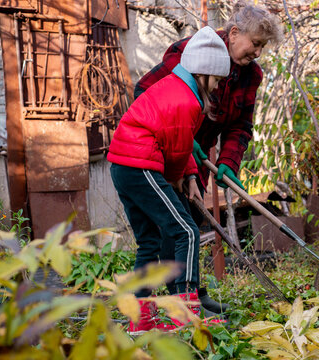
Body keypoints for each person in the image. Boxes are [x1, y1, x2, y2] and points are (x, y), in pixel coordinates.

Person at [134, 1, 283, 313]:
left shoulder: (250, 75)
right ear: (233, 33)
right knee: (172, 227)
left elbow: (241, 125)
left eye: (262, 47)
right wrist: (183, 140)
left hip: (196, 160)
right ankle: (178, 301)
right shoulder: (190, 51)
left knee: (190, 222)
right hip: (163, 151)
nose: (257, 52)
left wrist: (229, 162)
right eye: (255, 44)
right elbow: (145, 92)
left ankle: (189, 295)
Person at [108, 26, 231, 334]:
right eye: (216, 80)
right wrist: (180, 177)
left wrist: (190, 174)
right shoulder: (186, 101)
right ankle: (185, 313)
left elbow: (179, 140)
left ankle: (142, 319)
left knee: (149, 241)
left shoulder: (174, 86)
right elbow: (176, 150)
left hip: (123, 166)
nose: (216, 88)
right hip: (141, 165)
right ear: (203, 73)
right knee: (187, 231)